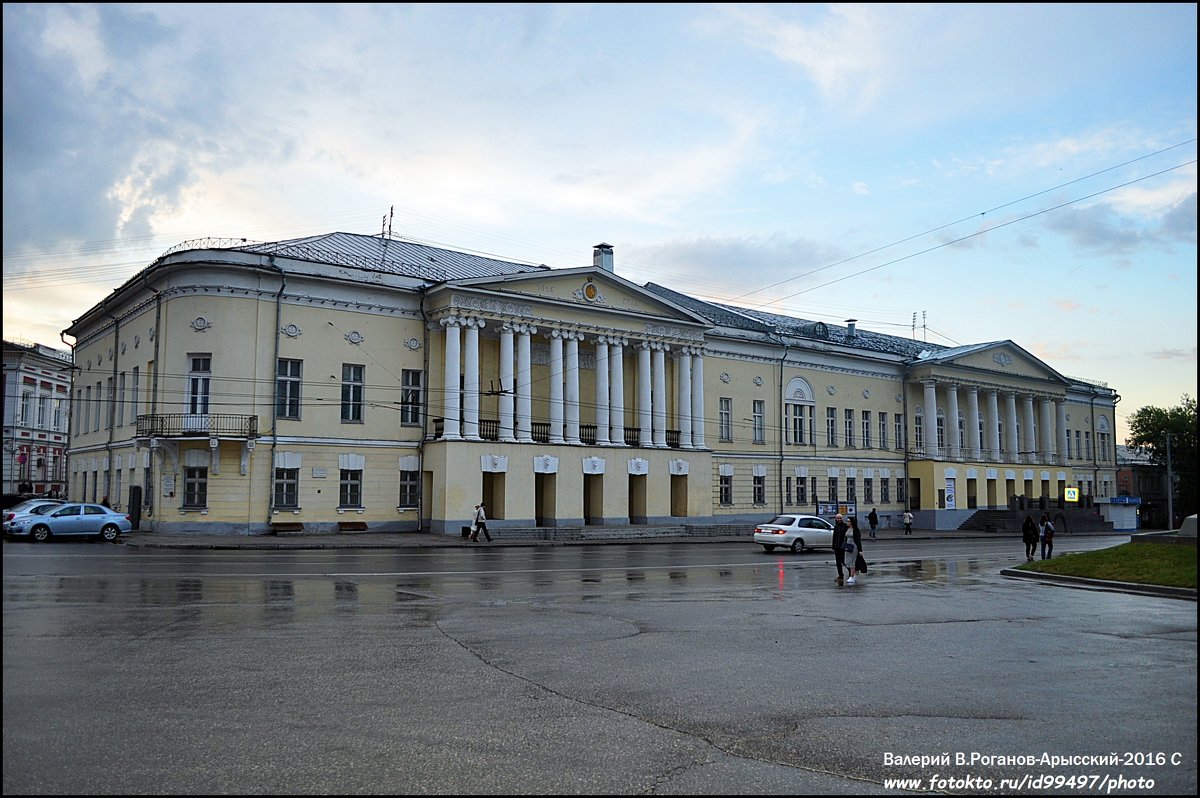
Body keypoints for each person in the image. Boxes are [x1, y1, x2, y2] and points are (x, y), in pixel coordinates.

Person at [844, 516, 864, 584]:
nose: (847, 522)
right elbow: (846, 538)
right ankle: (854, 574)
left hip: (854, 547)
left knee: (852, 562)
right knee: (848, 561)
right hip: (848, 547)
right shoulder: (848, 529)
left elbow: (858, 541)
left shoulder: (855, 530)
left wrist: (860, 550)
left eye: (848, 521)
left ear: (852, 522)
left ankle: (852, 576)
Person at [832, 513, 848, 584]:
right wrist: (833, 545)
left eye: (840, 518)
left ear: (842, 519)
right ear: (836, 519)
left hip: (842, 547)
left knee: (843, 561)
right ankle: (840, 575)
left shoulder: (845, 526)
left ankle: (851, 572)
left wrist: (845, 545)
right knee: (838, 562)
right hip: (836, 547)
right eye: (838, 518)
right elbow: (834, 537)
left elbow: (846, 537)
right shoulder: (836, 527)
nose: (839, 519)